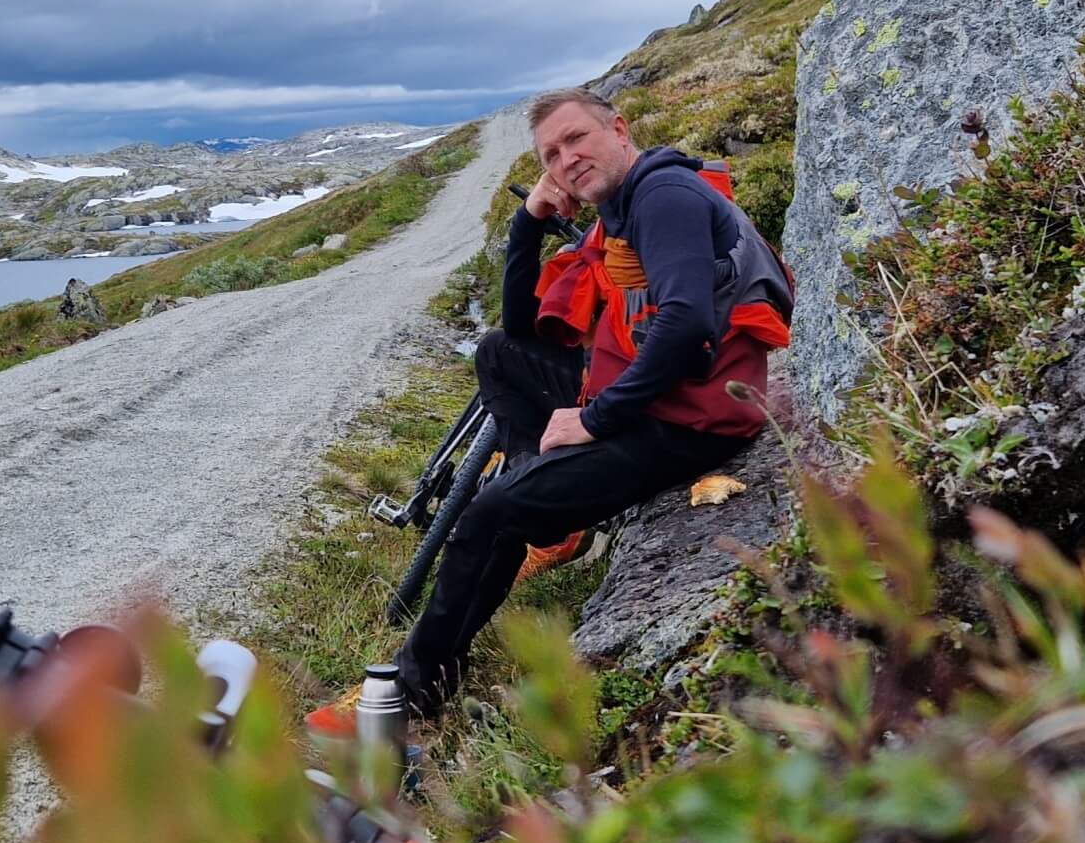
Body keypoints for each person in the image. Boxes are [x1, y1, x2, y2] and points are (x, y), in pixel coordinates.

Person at [317, 87, 793, 728]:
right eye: (551, 153)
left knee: (490, 517)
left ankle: (410, 698)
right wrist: (527, 224)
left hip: (686, 423)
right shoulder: (622, 210)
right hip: (653, 395)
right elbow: (521, 327)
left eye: (578, 139)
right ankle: (544, 499)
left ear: (619, 131)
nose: (566, 159)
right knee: (500, 354)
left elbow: (685, 327)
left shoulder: (664, 197)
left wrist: (593, 421)